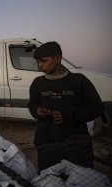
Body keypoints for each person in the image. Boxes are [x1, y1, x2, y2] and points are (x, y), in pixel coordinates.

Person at [27, 41, 104, 171]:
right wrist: (36, 110)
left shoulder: (79, 80)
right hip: (46, 142)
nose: (40, 66)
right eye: (38, 62)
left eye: (44, 61)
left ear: (58, 58)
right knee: (50, 181)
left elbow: (97, 108)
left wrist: (68, 114)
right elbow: (32, 105)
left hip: (76, 142)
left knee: (79, 180)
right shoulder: (37, 83)